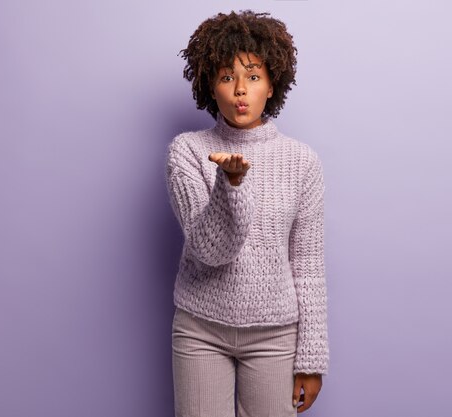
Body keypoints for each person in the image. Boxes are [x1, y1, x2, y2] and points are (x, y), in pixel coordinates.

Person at [165, 9, 329, 416]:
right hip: (201, 329)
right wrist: (230, 184)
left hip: (275, 335)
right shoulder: (186, 152)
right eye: (226, 77)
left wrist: (311, 359)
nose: (240, 89)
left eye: (253, 76)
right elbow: (210, 250)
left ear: (272, 84)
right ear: (210, 87)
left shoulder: (301, 162)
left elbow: (307, 264)